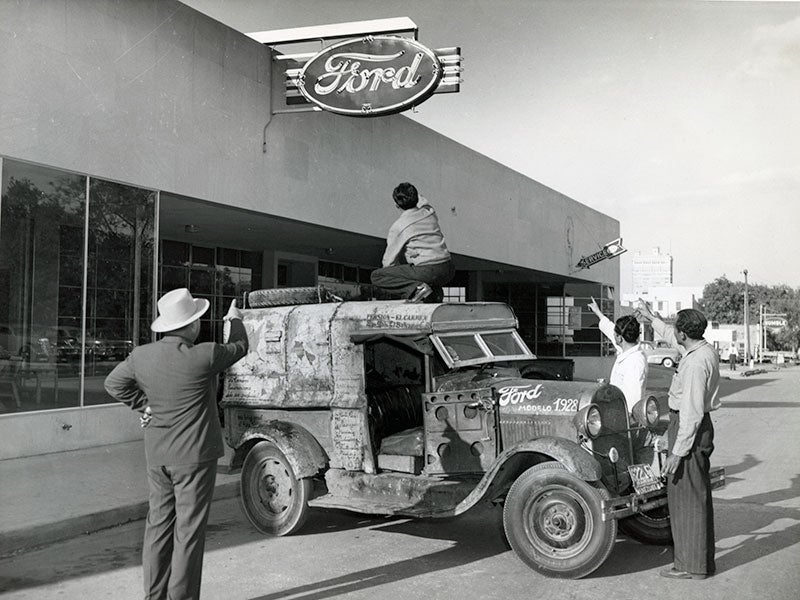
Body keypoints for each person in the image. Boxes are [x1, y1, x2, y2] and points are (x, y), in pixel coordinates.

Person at [104, 288, 248, 600]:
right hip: (195, 458)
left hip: (158, 457)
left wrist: (144, 405)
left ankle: (153, 596)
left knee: (157, 526)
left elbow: (113, 383)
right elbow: (239, 346)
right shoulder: (204, 355)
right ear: (193, 324)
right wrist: (234, 320)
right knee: (188, 533)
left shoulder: (141, 356)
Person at [636, 301, 721, 580]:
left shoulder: (695, 363)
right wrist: (651, 318)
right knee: (694, 495)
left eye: (677, 330)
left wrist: (677, 452)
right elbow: (671, 335)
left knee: (686, 499)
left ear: (685, 334)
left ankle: (690, 567)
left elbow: (692, 413)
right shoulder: (702, 349)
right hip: (694, 428)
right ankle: (700, 563)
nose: (675, 334)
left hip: (688, 430)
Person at [370, 182, 455, 303]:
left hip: (428, 271)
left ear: (397, 205)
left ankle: (417, 289)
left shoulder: (399, 226)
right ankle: (433, 295)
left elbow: (388, 263)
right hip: (448, 269)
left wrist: (404, 278)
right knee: (419, 268)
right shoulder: (429, 212)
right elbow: (423, 200)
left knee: (377, 276)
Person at [587, 298, 648, 413]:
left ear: (619, 338)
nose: (613, 335)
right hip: (615, 410)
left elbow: (633, 398)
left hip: (625, 416)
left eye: (615, 334)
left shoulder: (635, 362)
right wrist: (598, 312)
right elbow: (610, 329)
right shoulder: (626, 348)